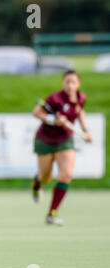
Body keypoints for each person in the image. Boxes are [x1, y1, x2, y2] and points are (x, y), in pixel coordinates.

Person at [32, 69, 92, 226]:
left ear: (78, 84)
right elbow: (37, 112)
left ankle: (52, 213)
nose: (70, 85)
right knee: (46, 177)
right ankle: (37, 182)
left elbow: (80, 111)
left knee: (66, 175)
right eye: (67, 82)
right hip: (45, 140)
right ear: (63, 83)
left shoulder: (81, 98)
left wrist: (85, 131)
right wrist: (53, 120)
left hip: (65, 140)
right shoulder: (55, 98)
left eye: (73, 82)